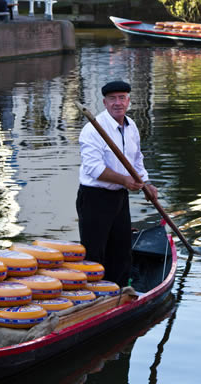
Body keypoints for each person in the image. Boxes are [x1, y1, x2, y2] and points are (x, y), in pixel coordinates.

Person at [76, 80, 158, 288]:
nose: (117, 103)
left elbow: (137, 160)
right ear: (104, 102)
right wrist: (124, 180)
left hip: (120, 197)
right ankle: (93, 295)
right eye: (112, 99)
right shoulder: (92, 129)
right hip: (95, 198)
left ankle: (119, 293)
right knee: (95, 253)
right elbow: (93, 169)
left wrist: (146, 183)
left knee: (121, 250)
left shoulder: (131, 127)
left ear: (128, 101)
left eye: (122, 98)